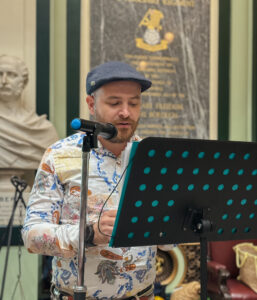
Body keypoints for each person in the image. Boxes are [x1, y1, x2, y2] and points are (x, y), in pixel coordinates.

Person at [22, 61, 172, 300]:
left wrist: (170, 225)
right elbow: (32, 236)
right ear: (91, 104)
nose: (126, 112)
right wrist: (90, 234)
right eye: (114, 103)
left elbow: (169, 243)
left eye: (134, 103)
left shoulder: (153, 157)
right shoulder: (58, 156)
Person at [0, 54, 58, 169]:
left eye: (12, 75)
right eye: (0, 74)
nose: (4, 80)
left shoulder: (44, 131)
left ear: (23, 81)